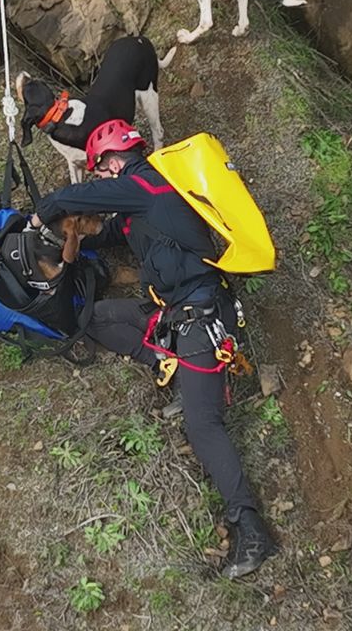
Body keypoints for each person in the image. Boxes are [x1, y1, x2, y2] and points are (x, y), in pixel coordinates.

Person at [28, 119, 277, 579]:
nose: (98, 179)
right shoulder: (144, 202)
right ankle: (165, 359)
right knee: (94, 317)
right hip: (175, 314)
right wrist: (70, 235)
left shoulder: (145, 183)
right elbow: (105, 231)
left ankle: (250, 525)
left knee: (202, 424)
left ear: (114, 161)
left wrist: (43, 213)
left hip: (202, 317)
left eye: (98, 170)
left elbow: (71, 198)